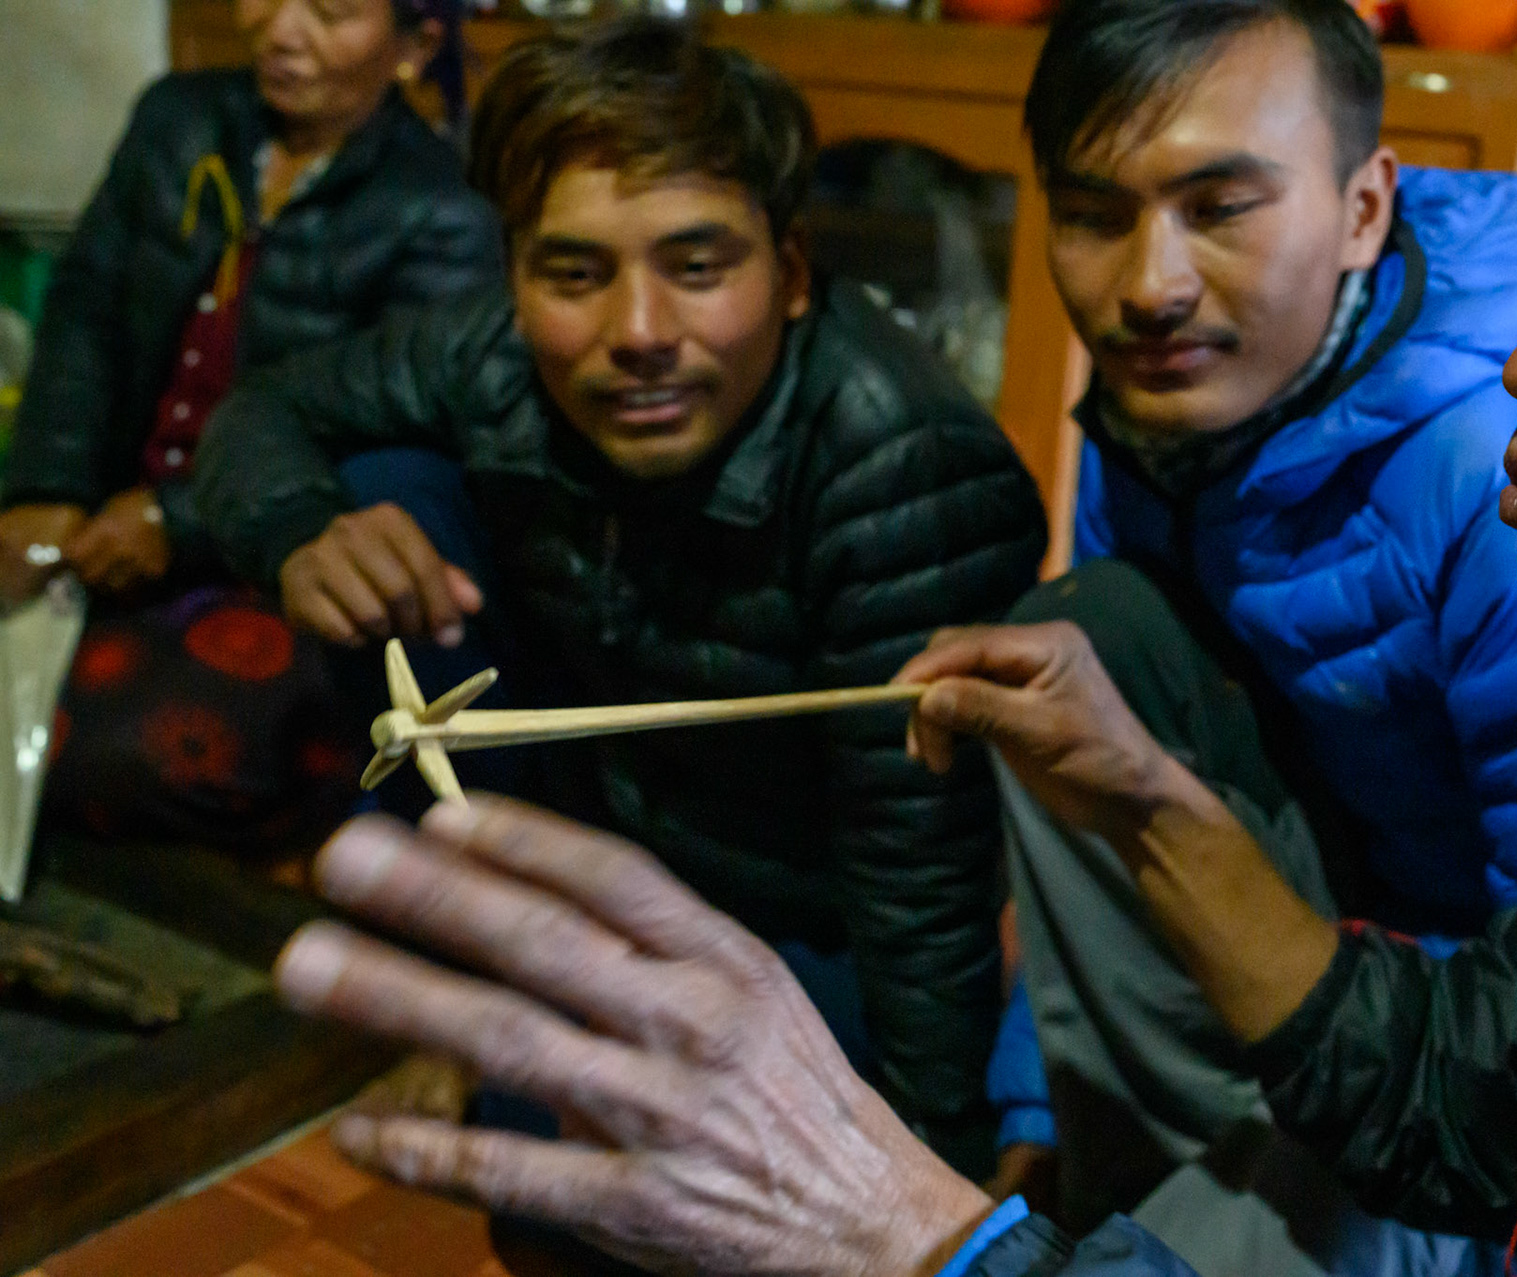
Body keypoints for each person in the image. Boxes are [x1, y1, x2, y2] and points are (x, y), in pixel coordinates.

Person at [264, 0, 1517, 1274]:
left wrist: (908, 1218)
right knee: (1090, 639)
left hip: (1413, 958)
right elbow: (1488, 1082)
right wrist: (1125, 813)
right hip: (1358, 967)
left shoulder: (1507, 516)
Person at [193, 17, 1048, 1176]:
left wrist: (929, 1178)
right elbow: (263, 413)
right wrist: (299, 531)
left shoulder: (897, 463)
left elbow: (920, 862)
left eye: (698, 267)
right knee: (384, 490)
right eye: (575, 272)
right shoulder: (497, 352)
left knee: (568, 1159)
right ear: (518, 274)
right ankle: (484, 963)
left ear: (791, 273)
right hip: (611, 827)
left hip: (804, 908)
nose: (637, 333)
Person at [984, 0, 1517, 1265]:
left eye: (1221, 206)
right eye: (1096, 214)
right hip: (1311, 923)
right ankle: (1171, 1163)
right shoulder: (1175, 403)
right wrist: (1028, 1095)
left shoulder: (1503, 477)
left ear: (1364, 210)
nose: (1150, 286)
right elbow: (1113, 755)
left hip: (1468, 1025)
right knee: (1074, 644)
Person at [0, 0, 499, 846]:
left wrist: (177, 520)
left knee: (109, 743)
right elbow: (87, 308)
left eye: (331, 12)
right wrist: (46, 491)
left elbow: (381, 444)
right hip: (100, 522)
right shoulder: (179, 121)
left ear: (413, 46)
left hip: (272, 562)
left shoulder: (441, 208)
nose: (280, 31)